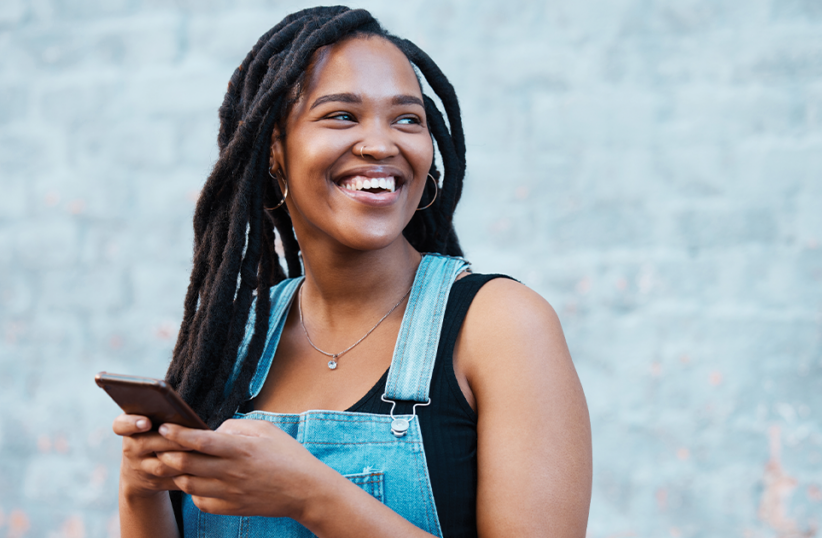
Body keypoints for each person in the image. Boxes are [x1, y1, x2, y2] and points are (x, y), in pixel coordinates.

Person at [111, 6, 591, 537]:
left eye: (408, 119)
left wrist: (310, 495)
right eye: (342, 115)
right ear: (274, 149)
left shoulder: (501, 326)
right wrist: (139, 488)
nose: (381, 144)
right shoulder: (236, 341)